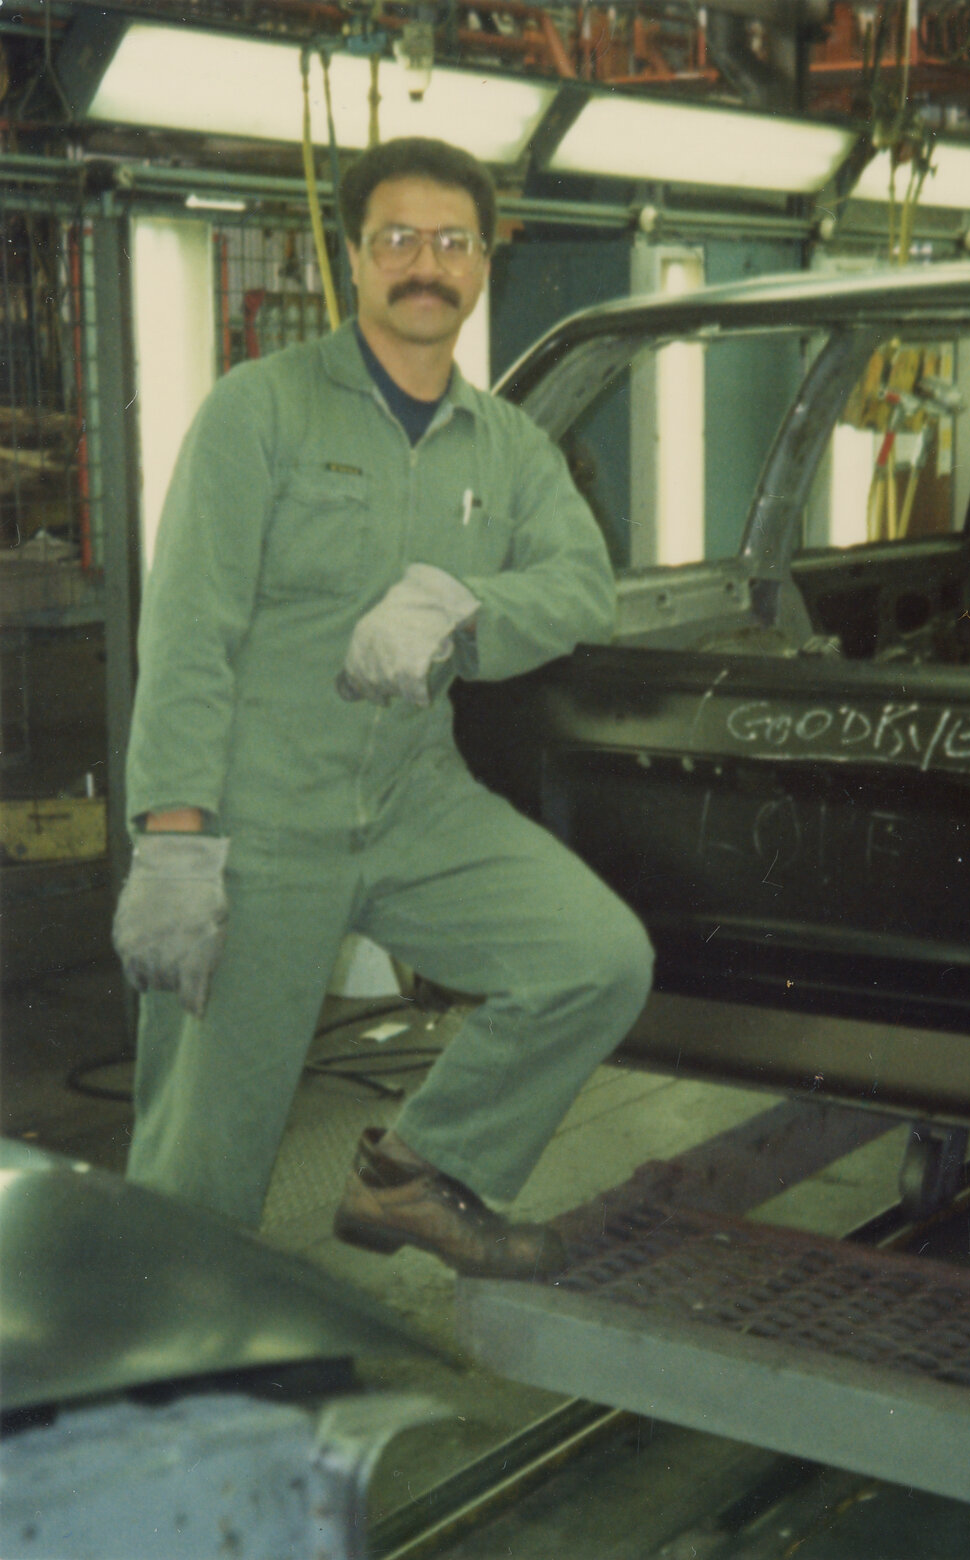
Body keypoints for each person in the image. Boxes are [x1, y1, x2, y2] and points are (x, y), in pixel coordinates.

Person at [112, 137, 654, 1279]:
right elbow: (190, 628)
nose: (426, 264)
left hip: (414, 801)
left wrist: (465, 606)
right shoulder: (258, 412)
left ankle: (416, 1177)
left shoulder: (505, 446)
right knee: (203, 1168)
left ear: (480, 265)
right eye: (397, 239)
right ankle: (160, 1382)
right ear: (351, 260)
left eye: (452, 242)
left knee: (594, 958)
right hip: (258, 821)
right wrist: (172, 837)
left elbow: (582, 585)